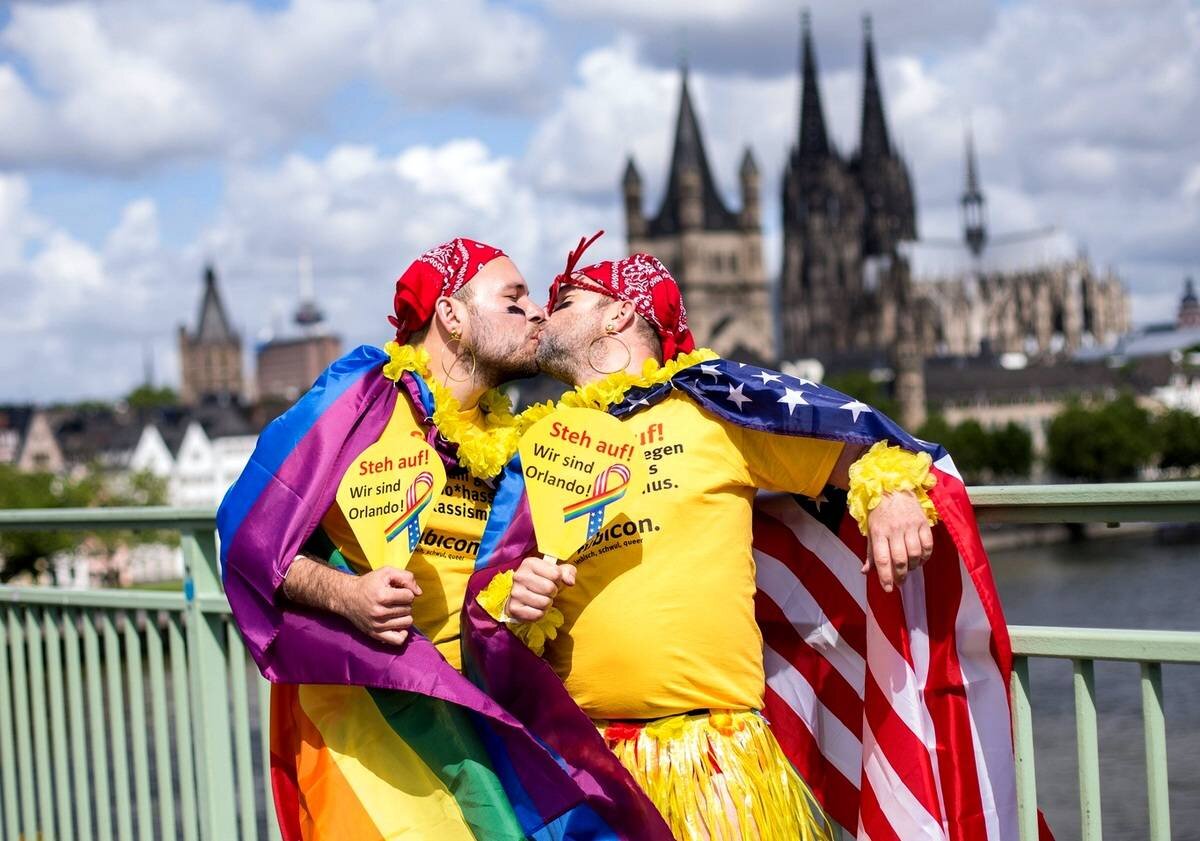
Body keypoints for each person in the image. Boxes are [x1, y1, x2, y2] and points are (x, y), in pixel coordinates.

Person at [493, 247, 938, 840]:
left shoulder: (713, 410)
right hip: (580, 763)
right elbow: (497, 577)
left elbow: (867, 446)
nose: (543, 316)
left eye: (565, 301)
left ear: (618, 315)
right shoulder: (539, 442)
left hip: (709, 762)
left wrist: (892, 494)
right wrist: (513, 599)